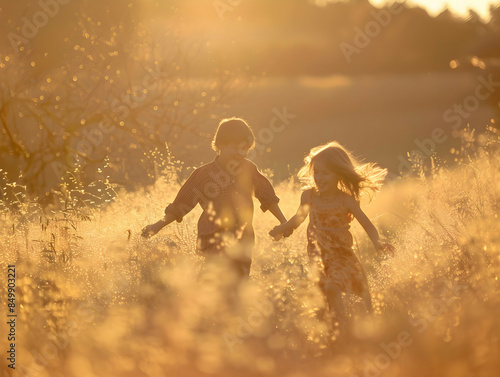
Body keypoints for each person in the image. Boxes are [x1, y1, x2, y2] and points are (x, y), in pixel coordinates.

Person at [269, 141, 394, 342]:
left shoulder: (346, 200)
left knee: (334, 288)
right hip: (317, 256)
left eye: (325, 173)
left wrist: (378, 242)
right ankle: (332, 334)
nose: (319, 177)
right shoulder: (308, 196)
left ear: (338, 174)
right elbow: (298, 218)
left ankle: (343, 331)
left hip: (341, 255)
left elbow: (368, 225)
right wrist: (282, 229)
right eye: (316, 172)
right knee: (322, 297)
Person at [142, 117, 287, 278]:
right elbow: (181, 206)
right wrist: (158, 225)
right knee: (213, 281)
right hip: (212, 238)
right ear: (221, 145)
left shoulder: (249, 169)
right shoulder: (202, 175)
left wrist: (283, 221)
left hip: (243, 239)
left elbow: (267, 196)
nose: (241, 154)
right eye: (236, 148)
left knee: (240, 282)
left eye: (245, 149)